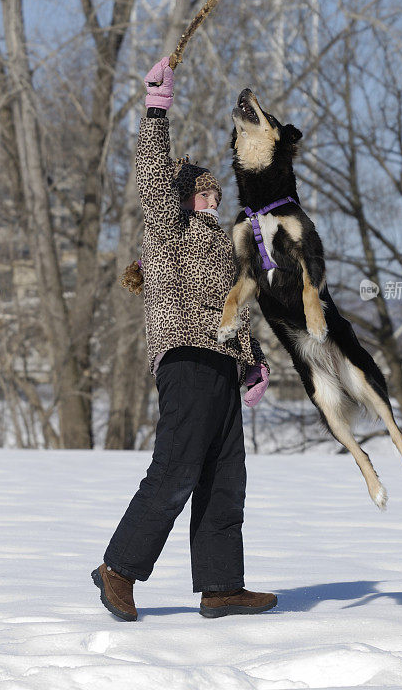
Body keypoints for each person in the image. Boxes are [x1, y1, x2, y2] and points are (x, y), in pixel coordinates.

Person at [91, 58, 277, 621]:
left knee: (225, 479)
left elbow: (234, 310)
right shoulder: (169, 231)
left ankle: (221, 586)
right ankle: (117, 569)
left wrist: (252, 361)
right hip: (186, 359)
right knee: (175, 469)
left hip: (220, 364)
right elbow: (152, 176)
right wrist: (156, 109)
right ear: (179, 198)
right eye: (200, 193)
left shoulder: (220, 244)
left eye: (214, 194)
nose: (211, 200)